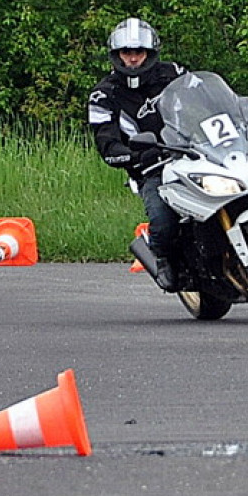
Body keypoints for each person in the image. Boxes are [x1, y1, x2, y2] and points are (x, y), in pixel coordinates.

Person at [87, 17, 187, 291]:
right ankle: (162, 257)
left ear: (150, 53)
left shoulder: (174, 74)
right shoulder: (102, 95)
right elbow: (106, 142)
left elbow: (206, 101)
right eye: (126, 53)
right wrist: (133, 156)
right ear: (116, 55)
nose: (132, 59)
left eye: (138, 52)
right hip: (151, 167)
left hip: (194, 153)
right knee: (163, 221)